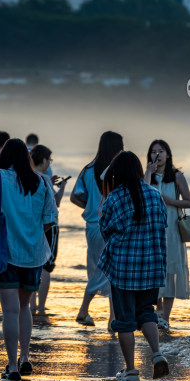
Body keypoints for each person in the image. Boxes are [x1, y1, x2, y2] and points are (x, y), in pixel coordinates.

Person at [0, 138, 57, 381]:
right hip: (34, 255)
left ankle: (12, 367)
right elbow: (50, 219)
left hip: (6, 253)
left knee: (10, 312)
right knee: (25, 308)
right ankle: (25, 358)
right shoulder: (42, 181)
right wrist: (32, 233)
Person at [99, 151, 169, 381]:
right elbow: (162, 227)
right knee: (146, 313)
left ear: (116, 173)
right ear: (139, 171)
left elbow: (105, 229)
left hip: (123, 268)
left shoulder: (114, 197)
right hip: (150, 266)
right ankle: (157, 355)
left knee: (125, 320)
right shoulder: (155, 195)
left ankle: (130, 370)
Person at [70, 131, 124, 329]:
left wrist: (91, 208)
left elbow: (74, 197)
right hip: (110, 227)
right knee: (109, 271)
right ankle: (88, 311)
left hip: (92, 226)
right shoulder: (117, 170)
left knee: (100, 269)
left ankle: (109, 317)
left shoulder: (88, 169)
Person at [144, 139, 190, 330]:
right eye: (153, 152)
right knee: (154, 271)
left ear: (168, 154)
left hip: (172, 230)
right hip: (151, 230)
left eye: (161, 151)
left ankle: (166, 316)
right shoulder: (149, 176)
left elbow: (188, 202)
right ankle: (158, 310)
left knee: (170, 272)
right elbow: (141, 193)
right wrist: (148, 171)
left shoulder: (177, 176)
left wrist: (168, 200)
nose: (157, 155)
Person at [30, 143, 68, 314]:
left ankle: (30, 304)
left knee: (32, 263)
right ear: (44, 160)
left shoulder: (26, 178)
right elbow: (55, 204)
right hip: (49, 226)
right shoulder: (44, 179)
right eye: (49, 160)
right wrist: (62, 188)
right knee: (47, 266)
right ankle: (41, 306)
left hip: (31, 226)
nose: (50, 163)